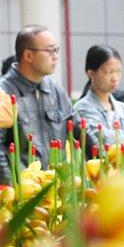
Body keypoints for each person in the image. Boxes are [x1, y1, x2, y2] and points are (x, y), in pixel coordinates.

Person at [0, 25, 77, 183]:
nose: (55, 56)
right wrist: (13, 187)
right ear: (28, 55)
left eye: (57, 50)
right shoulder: (4, 92)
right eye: (50, 51)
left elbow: (79, 129)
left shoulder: (56, 90)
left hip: (57, 188)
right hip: (24, 194)